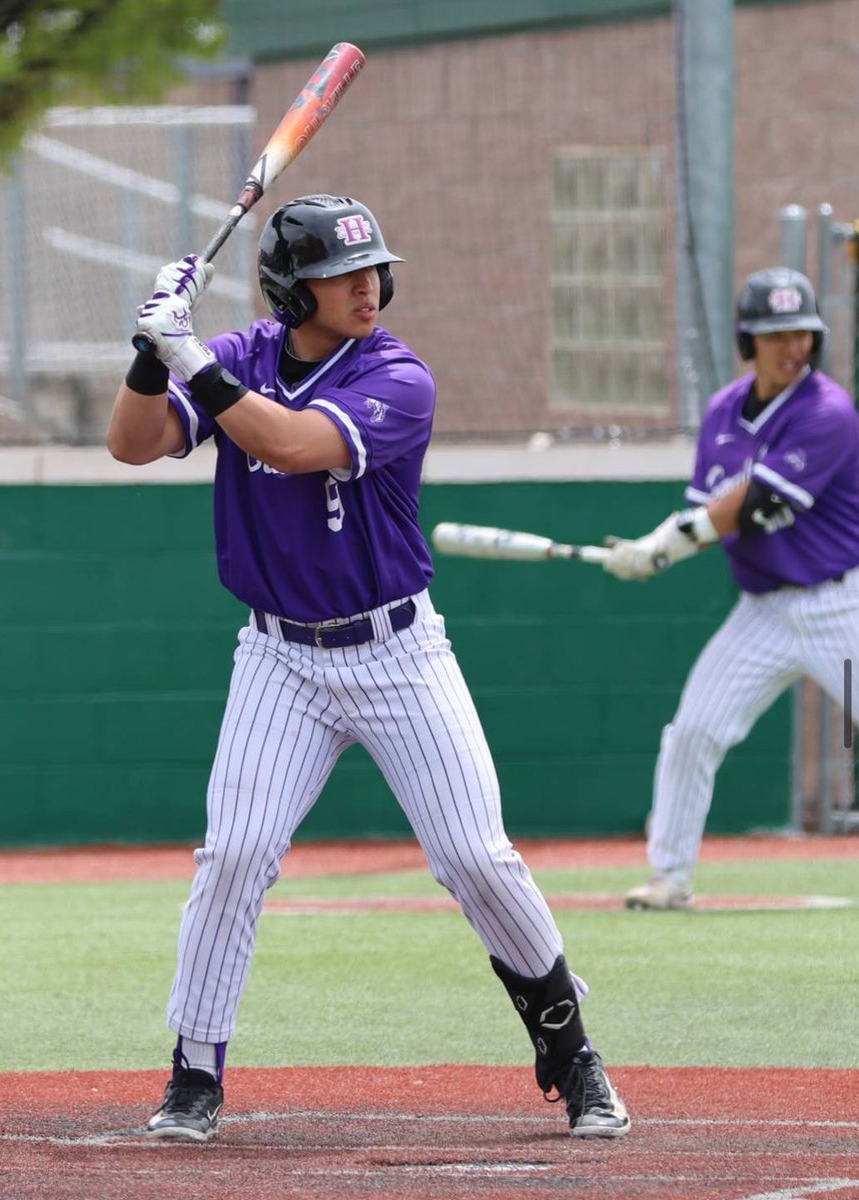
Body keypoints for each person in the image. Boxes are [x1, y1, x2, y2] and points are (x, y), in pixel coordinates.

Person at [107, 194, 630, 1141]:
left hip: (398, 651)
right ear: (288, 291)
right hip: (278, 656)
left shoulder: (398, 374)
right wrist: (152, 350)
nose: (365, 286)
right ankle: (194, 1072)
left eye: (372, 269)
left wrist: (187, 356)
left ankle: (569, 1050)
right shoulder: (238, 357)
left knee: (475, 856)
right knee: (233, 854)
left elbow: (294, 444)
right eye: (339, 274)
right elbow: (131, 442)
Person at [603, 266, 859, 911]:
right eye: (776, 335)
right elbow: (706, 516)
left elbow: (754, 503)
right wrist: (658, 552)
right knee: (692, 731)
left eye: (802, 333)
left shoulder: (827, 410)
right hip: (764, 613)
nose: (792, 347)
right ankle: (669, 876)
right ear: (749, 340)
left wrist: (663, 543)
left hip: (841, 606)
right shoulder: (723, 412)